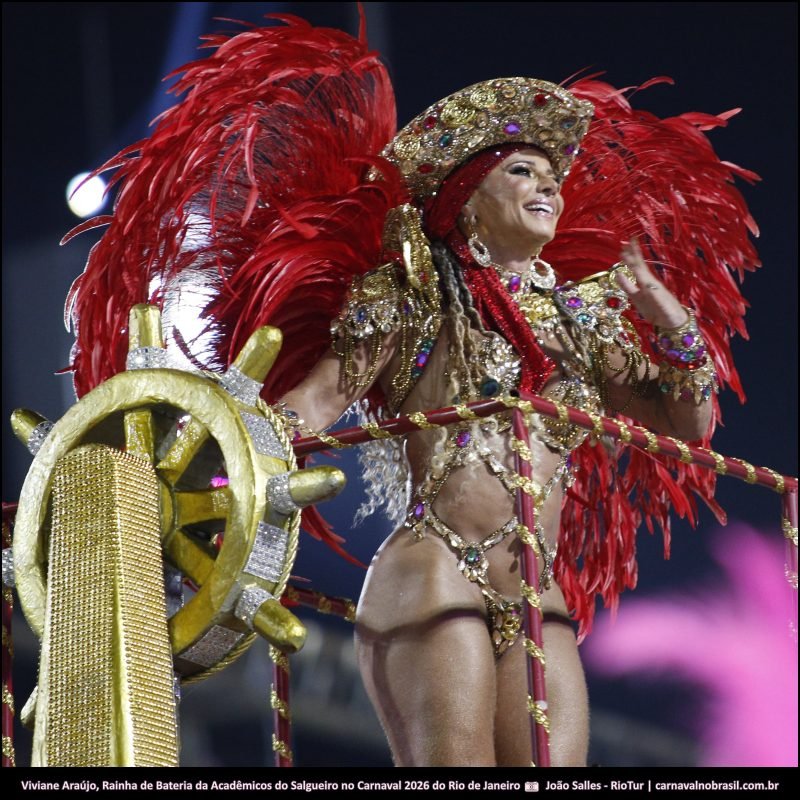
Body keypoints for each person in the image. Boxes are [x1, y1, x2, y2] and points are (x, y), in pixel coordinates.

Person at [65, 16, 757, 767]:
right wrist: (215, 452)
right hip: (436, 569)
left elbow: (689, 423)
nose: (547, 184)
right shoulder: (415, 293)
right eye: (521, 170)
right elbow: (321, 402)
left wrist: (658, 304)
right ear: (466, 196)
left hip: (537, 591)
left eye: (552, 175)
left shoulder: (583, 323)